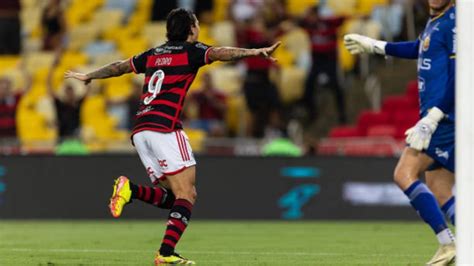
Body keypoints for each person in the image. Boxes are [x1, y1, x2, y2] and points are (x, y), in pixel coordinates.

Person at [65, 8, 280, 265]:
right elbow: (222, 53)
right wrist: (254, 52)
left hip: (141, 129)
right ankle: (165, 254)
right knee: (187, 194)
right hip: (165, 127)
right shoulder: (193, 51)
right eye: (197, 24)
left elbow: (118, 67)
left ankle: (130, 190)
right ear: (191, 29)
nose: (198, 28)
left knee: (174, 198)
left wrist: (90, 75)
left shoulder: (153, 54)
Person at [344, 0, 456, 264]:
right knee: (439, 188)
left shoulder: (454, 23)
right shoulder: (436, 21)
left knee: (403, 173)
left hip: (444, 117)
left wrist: (434, 117)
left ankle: (448, 245)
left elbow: (461, 74)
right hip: (439, 116)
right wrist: (375, 45)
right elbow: (420, 48)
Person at [301, 5, 346, 124]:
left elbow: (344, 18)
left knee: (336, 87)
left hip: (330, 60)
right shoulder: (307, 25)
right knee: (308, 87)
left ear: (316, 15)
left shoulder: (329, 23)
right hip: (317, 61)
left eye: (310, 15)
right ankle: (312, 113)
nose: (309, 18)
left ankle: (342, 115)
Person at [47, 56, 87, 140]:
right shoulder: (60, 104)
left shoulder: (78, 103)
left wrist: (77, 73)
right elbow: (50, 86)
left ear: (74, 93)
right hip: (62, 138)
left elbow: (88, 87)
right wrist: (52, 68)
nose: (69, 94)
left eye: (71, 91)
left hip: (76, 137)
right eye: (67, 92)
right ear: (65, 93)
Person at [188, 72, 227, 136]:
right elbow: (188, 99)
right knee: (186, 127)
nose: (206, 83)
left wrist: (212, 99)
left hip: (214, 121)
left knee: (216, 129)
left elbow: (224, 109)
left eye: (207, 81)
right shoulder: (199, 93)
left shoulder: (218, 93)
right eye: (204, 81)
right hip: (201, 121)